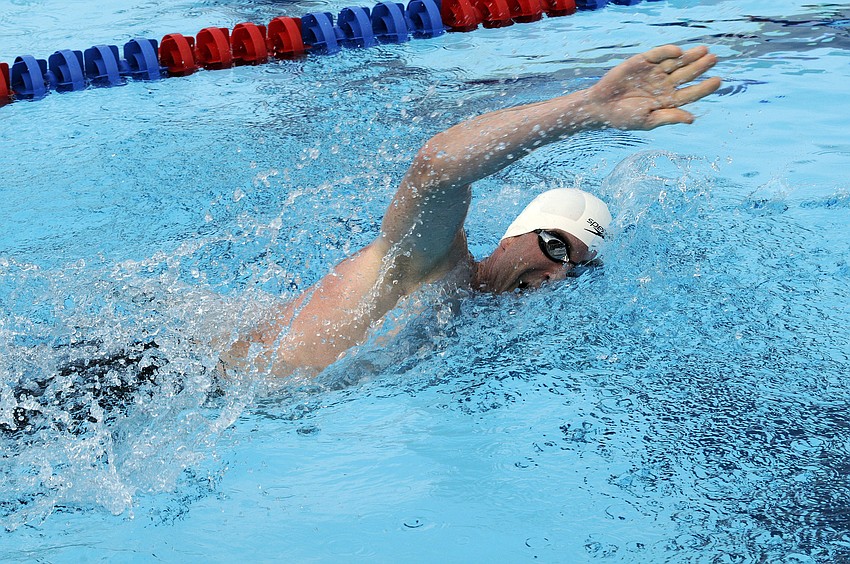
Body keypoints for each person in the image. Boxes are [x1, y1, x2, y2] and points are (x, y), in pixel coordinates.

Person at [222, 44, 721, 378]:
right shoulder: (435, 265)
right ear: (513, 237)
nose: (557, 273)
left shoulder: (471, 326)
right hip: (179, 378)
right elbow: (435, 167)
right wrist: (585, 111)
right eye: (555, 246)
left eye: (577, 267)